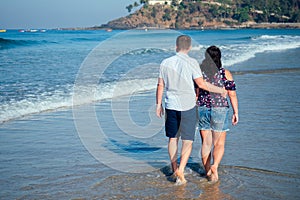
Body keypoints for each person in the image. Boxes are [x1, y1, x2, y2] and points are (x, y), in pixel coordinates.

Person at [156, 35, 226, 185]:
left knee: (172, 138)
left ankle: (174, 168)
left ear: (176, 46)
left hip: (170, 105)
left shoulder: (165, 63)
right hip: (187, 105)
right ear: (189, 47)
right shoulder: (192, 62)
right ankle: (181, 168)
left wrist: (158, 104)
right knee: (187, 140)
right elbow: (201, 85)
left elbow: (160, 85)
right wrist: (220, 90)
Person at [196, 45, 239, 182]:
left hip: (203, 108)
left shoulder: (200, 72)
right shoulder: (225, 73)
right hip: (220, 108)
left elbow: (196, 94)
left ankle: (208, 172)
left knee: (206, 143)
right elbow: (232, 95)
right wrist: (235, 112)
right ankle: (215, 166)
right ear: (219, 57)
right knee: (219, 143)